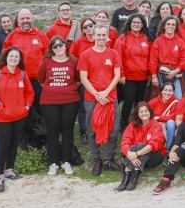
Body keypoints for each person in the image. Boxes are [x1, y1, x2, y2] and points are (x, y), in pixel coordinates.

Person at [0, 46, 35, 192]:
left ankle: (9, 170)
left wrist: (26, 107)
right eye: (11, 56)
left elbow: (29, 93)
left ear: (20, 60)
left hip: (20, 116)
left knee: (14, 144)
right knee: (3, 146)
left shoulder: (23, 75)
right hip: (3, 117)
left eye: (16, 57)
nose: (14, 59)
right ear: (6, 57)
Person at [78, 24, 122, 176]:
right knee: (92, 129)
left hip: (110, 97)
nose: (102, 38)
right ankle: (97, 159)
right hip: (92, 98)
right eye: (99, 35)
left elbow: (117, 75)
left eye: (104, 35)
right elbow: (83, 78)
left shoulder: (113, 53)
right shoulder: (85, 54)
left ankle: (109, 158)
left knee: (114, 128)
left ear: (108, 36)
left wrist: (106, 93)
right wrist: (97, 94)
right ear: (94, 36)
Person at [37, 37, 80, 176]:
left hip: (70, 100)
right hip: (49, 101)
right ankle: (53, 162)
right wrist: (53, 90)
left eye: (60, 45)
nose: (58, 48)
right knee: (53, 132)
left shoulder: (73, 60)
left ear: (65, 45)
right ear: (51, 49)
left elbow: (78, 79)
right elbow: (41, 79)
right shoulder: (46, 61)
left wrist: (68, 89)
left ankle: (66, 161)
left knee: (67, 131)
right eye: (54, 47)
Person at [152, 100, 185, 194]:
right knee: (178, 150)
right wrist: (171, 154)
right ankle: (166, 180)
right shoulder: (183, 126)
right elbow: (177, 143)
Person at [4, 9, 49, 116]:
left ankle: (40, 132)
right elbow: (5, 58)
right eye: (22, 18)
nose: (25, 21)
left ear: (32, 19)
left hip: (38, 81)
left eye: (28, 18)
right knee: (22, 109)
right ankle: (23, 132)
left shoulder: (41, 36)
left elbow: (49, 58)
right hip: (18, 80)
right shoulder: (11, 37)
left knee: (40, 110)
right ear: (18, 21)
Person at [116, 102, 166, 192]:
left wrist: (136, 153)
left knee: (141, 145)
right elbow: (125, 142)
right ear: (137, 114)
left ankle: (133, 176)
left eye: (146, 111)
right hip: (135, 156)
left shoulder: (156, 125)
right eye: (141, 112)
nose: (144, 113)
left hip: (154, 156)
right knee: (132, 147)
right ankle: (126, 176)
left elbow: (154, 144)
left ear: (150, 112)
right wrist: (129, 153)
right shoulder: (132, 125)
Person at [115, 14, 153, 131]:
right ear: (130, 24)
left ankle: (137, 122)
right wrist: (121, 74)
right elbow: (117, 57)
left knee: (140, 101)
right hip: (128, 77)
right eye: (134, 22)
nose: (136, 25)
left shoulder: (146, 38)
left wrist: (151, 73)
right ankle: (123, 122)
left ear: (142, 25)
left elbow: (151, 57)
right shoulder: (123, 38)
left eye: (139, 23)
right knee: (128, 100)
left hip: (143, 76)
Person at [69, 16, 96, 144]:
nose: (89, 28)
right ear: (82, 30)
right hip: (84, 80)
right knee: (84, 107)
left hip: (99, 79)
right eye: (85, 27)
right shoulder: (78, 43)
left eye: (91, 25)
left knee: (98, 106)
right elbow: (72, 61)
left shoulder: (101, 40)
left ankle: (97, 129)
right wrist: (76, 79)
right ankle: (83, 131)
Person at [150, 15, 185, 99]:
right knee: (163, 97)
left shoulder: (180, 41)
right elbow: (153, 60)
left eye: (173, 25)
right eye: (168, 24)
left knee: (178, 97)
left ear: (176, 27)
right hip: (161, 73)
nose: (170, 26)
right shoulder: (158, 41)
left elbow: (184, 59)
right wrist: (154, 76)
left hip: (176, 73)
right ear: (164, 26)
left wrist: (176, 71)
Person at [148, 82, 179, 149]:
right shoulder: (155, 101)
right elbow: (145, 110)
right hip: (155, 124)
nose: (167, 93)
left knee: (171, 123)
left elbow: (173, 116)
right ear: (161, 91)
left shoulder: (176, 102)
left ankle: (168, 148)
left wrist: (158, 118)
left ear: (173, 92)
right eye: (165, 90)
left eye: (170, 91)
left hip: (166, 125)